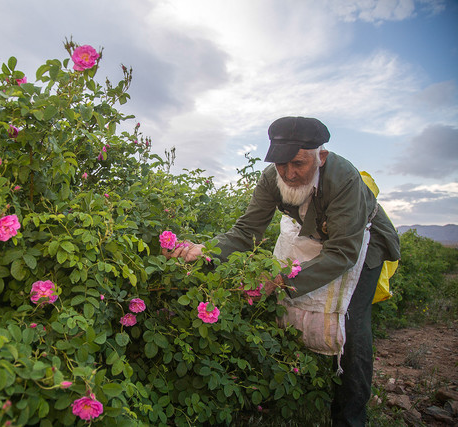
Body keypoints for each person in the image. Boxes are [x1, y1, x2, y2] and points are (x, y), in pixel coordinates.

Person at [164, 116, 400, 427]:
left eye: (298, 163)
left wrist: (278, 280)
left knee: (351, 327)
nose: (288, 173)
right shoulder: (272, 178)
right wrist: (203, 249)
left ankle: (351, 418)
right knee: (285, 310)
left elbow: (343, 253)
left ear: (321, 157)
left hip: (363, 243)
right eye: (280, 163)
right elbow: (246, 231)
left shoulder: (344, 179)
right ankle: (296, 390)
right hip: (318, 235)